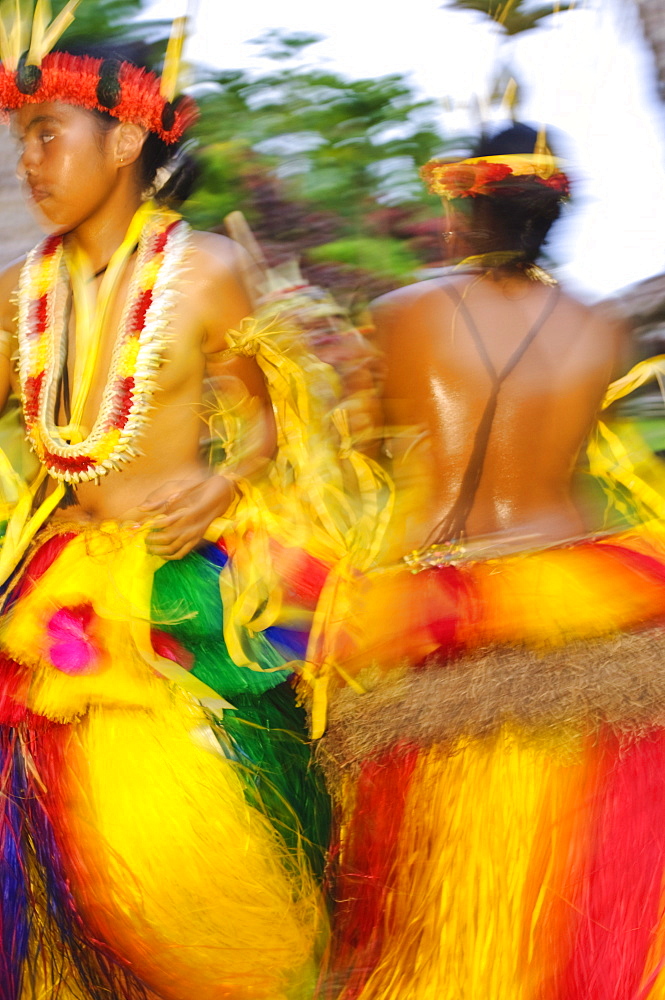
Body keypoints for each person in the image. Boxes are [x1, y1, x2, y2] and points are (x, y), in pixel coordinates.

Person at [0, 9, 334, 999]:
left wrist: (224, 481)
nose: (29, 160)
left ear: (127, 139)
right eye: (22, 140)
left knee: (217, 849)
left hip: (186, 588)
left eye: (47, 134)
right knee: (60, 850)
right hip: (60, 586)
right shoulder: (19, 290)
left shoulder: (211, 274)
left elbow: (270, 423)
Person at [315, 124, 665, 1000]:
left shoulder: (402, 314)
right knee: (580, 899)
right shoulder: (603, 326)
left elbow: (363, 447)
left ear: (464, 211)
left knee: (419, 912)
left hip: (445, 599)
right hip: (588, 594)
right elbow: (584, 453)